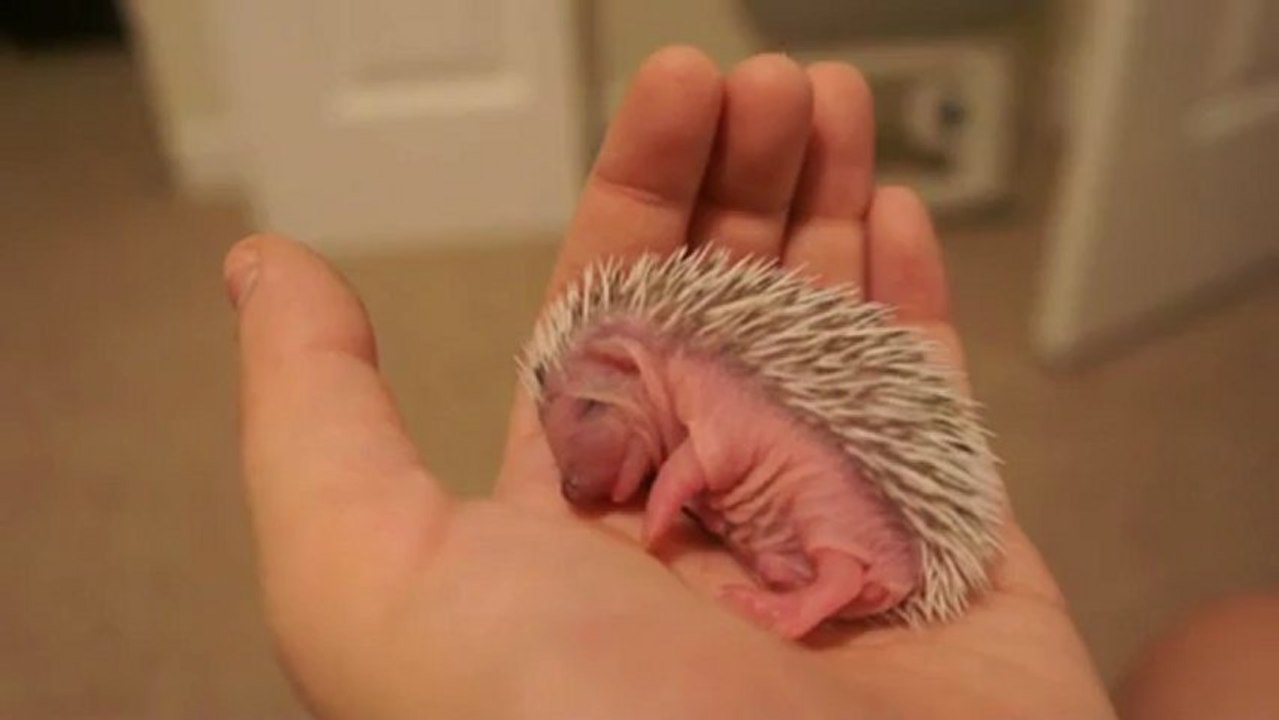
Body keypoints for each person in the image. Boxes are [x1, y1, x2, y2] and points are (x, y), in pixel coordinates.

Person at [221, 47, 1117, 719]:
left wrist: (655, 518)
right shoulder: (675, 390)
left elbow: (697, 468)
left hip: (846, 548)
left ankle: (824, 588)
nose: (574, 480)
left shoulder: (714, 395)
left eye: (579, 433)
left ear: (618, 372)